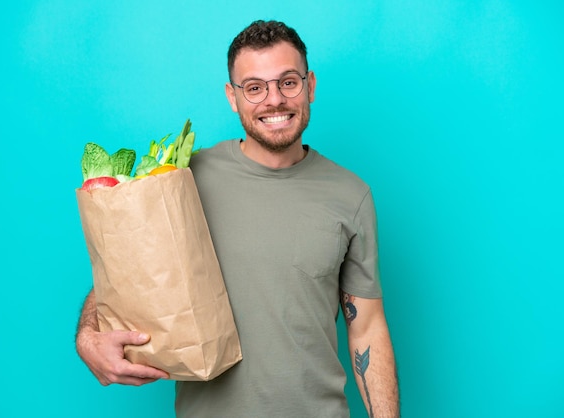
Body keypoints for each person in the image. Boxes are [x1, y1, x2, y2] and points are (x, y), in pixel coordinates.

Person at [76, 20, 400, 418]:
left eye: (288, 82)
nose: (274, 100)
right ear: (233, 96)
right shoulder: (182, 180)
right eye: (254, 87)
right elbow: (127, 280)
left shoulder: (351, 195)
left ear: (310, 85)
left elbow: (366, 327)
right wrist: (88, 337)